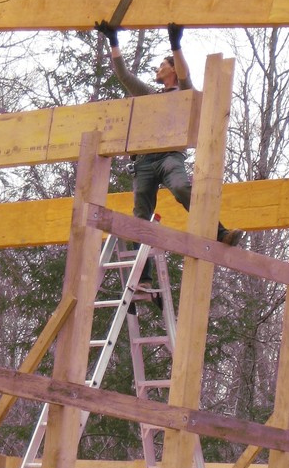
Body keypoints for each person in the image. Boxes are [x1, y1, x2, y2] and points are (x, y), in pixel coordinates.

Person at [95, 20, 243, 290]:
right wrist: (113, 41)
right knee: (141, 215)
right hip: (144, 162)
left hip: (169, 157)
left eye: (163, 65)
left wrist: (176, 44)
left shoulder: (184, 93)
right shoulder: (150, 95)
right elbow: (123, 74)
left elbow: (186, 76)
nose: (157, 69)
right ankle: (145, 277)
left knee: (180, 186)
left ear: (172, 70)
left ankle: (219, 231)